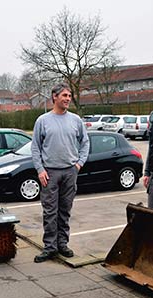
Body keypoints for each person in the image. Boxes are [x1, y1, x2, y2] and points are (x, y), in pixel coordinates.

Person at [30, 83, 90, 263]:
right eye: (64, 95)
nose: (68, 98)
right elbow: (35, 148)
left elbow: (85, 143)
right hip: (50, 173)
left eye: (69, 96)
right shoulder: (43, 121)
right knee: (50, 212)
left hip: (70, 172)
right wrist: (40, 170)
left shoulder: (76, 120)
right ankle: (50, 248)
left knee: (65, 210)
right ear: (54, 97)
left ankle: (62, 244)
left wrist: (79, 164)